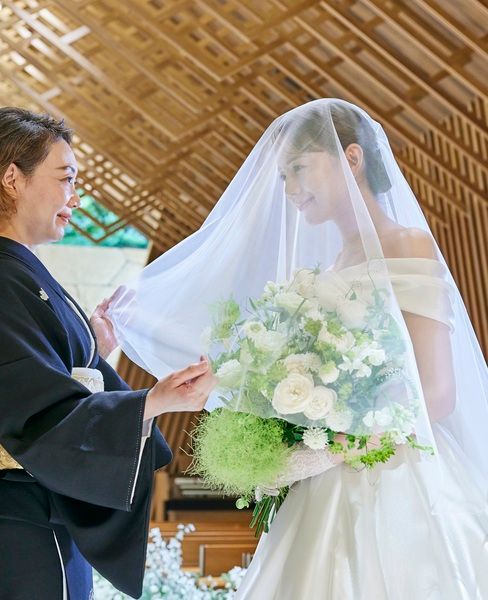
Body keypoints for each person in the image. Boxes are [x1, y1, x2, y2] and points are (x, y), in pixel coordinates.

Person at [107, 99, 488, 598]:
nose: (290, 190)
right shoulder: (330, 267)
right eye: (284, 176)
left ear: (352, 159)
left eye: (299, 169)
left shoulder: (408, 244)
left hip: (398, 480)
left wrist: (339, 446)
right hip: (323, 479)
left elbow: (436, 393)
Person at [0, 107, 216, 600]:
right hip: (14, 519)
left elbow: (41, 375)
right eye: (65, 179)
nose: (75, 197)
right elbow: (30, 405)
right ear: (12, 179)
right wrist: (152, 402)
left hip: (36, 508)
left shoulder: (15, 272)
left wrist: (94, 345)